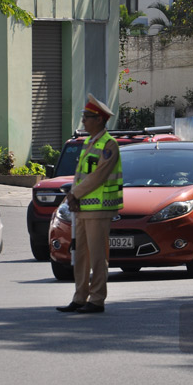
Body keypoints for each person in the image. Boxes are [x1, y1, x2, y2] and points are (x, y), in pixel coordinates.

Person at [56, 94, 122, 314]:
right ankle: (80, 297)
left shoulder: (109, 145)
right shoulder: (88, 142)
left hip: (99, 209)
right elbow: (82, 176)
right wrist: (74, 197)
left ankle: (97, 299)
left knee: (97, 256)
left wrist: (74, 194)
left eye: (87, 116)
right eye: (83, 116)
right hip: (83, 208)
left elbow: (98, 176)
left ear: (100, 120)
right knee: (81, 255)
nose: (83, 120)